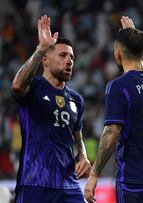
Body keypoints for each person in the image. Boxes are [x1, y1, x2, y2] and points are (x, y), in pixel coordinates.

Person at [84, 16, 143, 203]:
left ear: (118, 54)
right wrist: (138, 44)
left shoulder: (118, 86)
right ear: (142, 51)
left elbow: (111, 133)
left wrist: (94, 174)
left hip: (135, 182)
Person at [11, 15, 91, 202]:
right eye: (63, 56)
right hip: (35, 182)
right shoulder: (33, 88)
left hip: (68, 185)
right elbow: (16, 86)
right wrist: (40, 50)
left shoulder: (76, 99)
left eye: (72, 57)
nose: (69, 61)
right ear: (45, 61)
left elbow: (77, 137)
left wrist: (83, 157)